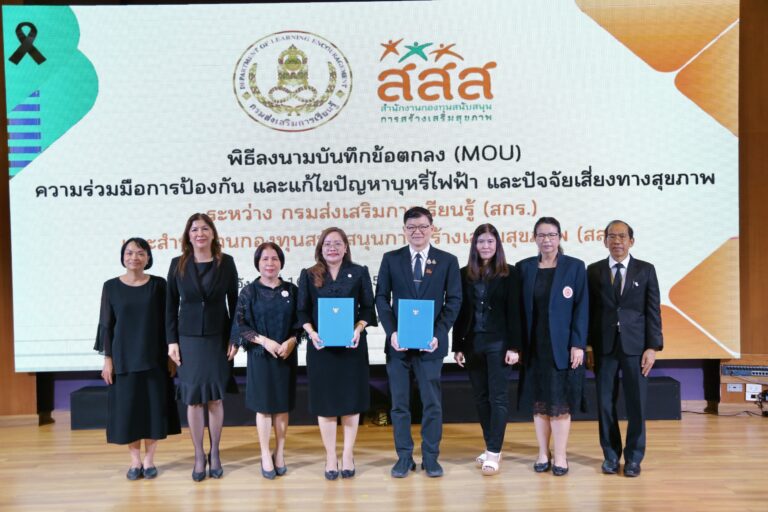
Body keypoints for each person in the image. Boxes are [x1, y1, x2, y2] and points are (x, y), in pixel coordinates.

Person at [375, 206, 462, 478]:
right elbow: (381, 298)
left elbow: (455, 301)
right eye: (411, 227)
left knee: (432, 404)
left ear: (432, 228)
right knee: (399, 405)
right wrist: (392, 332)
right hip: (399, 346)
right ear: (404, 230)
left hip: (430, 347)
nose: (417, 232)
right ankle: (404, 457)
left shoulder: (447, 260)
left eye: (423, 226)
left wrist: (438, 334)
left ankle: (431, 458)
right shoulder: (391, 259)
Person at [95, 237, 181, 480]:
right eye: (129, 252)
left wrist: (171, 357)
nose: (134, 257)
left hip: (154, 359)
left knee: (153, 411)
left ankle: (150, 460)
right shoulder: (110, 287)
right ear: (123, 256)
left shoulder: (159, 285)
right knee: (129, 413)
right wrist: (108, 360)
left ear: (148, 258)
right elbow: (106, 326)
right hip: (123, 360)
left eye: (140, 253)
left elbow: (168, 323)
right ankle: (134, 462)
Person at [296, 227, 377, 480]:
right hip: (321, 349)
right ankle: (331, 456)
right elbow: (302, 312)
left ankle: (348, 454)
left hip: (352, 348)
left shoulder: (359, 272)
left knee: (351, 402)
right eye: (328, 243)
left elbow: (368, 309)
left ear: (345, 247)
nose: (333, 247)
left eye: (338, 243)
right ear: (320, 248)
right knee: (326, 403)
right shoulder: (309, 275)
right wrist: (311, 332)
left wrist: (358, 328)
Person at [166, 213, 239, 482]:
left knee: (216, 398)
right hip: (188, 339)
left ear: (212, 233)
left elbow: (235, 302)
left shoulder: (226, 263)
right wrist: (171, 341)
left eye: (205, 228)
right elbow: (170, 306)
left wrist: (235, 337)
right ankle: (199, 455)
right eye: (194, 229)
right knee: (194, 399)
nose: (200, 233)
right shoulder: (178, 264)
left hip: (218, 338)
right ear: (188, 235)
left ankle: (216, 452)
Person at [587, 220, 663, 478]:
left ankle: (633, 458)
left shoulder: (646, 270)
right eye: (611, 236)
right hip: (604, 347)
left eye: (622, 236)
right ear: (604, 240)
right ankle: (610, 455)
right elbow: (589, 312)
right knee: (605, 403)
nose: (617, 241)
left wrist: (652, 347)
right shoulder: (593, 271)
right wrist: (587, 345)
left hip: (636, 347)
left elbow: (653, 312)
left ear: (632, 240)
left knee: (636, 405)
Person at [517, 216, 588, 476]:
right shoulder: (524, 268)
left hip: (564, 348)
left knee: (559, 404)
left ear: (560, 237)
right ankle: (542, 453)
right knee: (540, 403)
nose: (547, 240)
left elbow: (582, 308)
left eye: (551, 235)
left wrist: (578, 343)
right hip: (534, 347)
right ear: (534, 238)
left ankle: (560, 456)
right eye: (542, 235)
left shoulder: (575, 267)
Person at [452, 223, 523, 475]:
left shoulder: (510, 274)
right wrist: (457, 345)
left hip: (500, 344)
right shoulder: (463, 274)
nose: (485, 246)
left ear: (498, 245)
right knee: (481, 398)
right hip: (473, 344)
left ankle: (494, 451)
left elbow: (515, 312)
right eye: (481, 242)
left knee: (498, 397)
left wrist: (515, 346)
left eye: (490, 242)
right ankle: (491, 445)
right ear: (474, 245)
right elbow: (460, 313)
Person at [230, 242, 300, 480]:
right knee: (264, 408)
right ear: (257, 263)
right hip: (260, 355)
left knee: (282, 407)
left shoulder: (292, 290)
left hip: (285, 355)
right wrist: (264, 341)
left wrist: (291, 341)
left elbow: (300, 323)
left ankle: (279, 452)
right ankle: (264, 454)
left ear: (281, 262)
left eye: (274, 259)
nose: (270, 263)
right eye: (265, 259)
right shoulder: (249, 292)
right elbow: (241, 325)